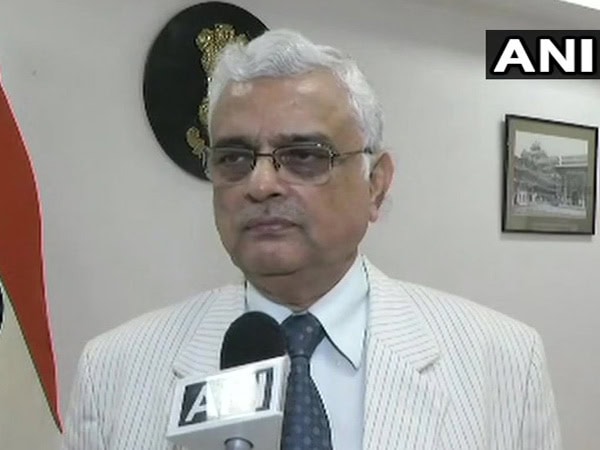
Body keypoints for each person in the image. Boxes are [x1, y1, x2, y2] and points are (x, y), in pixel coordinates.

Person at [62, 29, 562, 450]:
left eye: (304, 156)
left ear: (376, 184)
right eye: (234, 158)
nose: (260, 184)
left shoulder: (504, 362)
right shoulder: (114, 372)